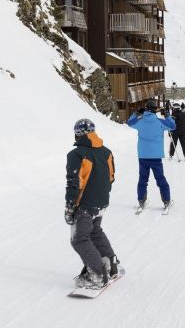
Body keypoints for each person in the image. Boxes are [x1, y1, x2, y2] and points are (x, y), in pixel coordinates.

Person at [65, 118, 120, 289]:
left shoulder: (76, 154)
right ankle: (110, 265)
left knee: (79, 239)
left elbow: (74, 182)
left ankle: (97, 275)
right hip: (101, 201)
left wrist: (70, 206)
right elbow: (111, 177)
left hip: (85, 205)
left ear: (77, 134)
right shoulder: (106, 152)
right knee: (95, 231)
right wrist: (100, 195)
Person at [127, 100, 176, 209]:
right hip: (156, 156)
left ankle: (141, 200)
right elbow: (173, 126)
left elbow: (130, 122)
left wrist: (136, 113)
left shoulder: (140, 121)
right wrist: (167, 116)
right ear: (155, 110)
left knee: (143, 179)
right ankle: (166, 200)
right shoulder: (160, 122)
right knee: (160, 179)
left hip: (143, 156)